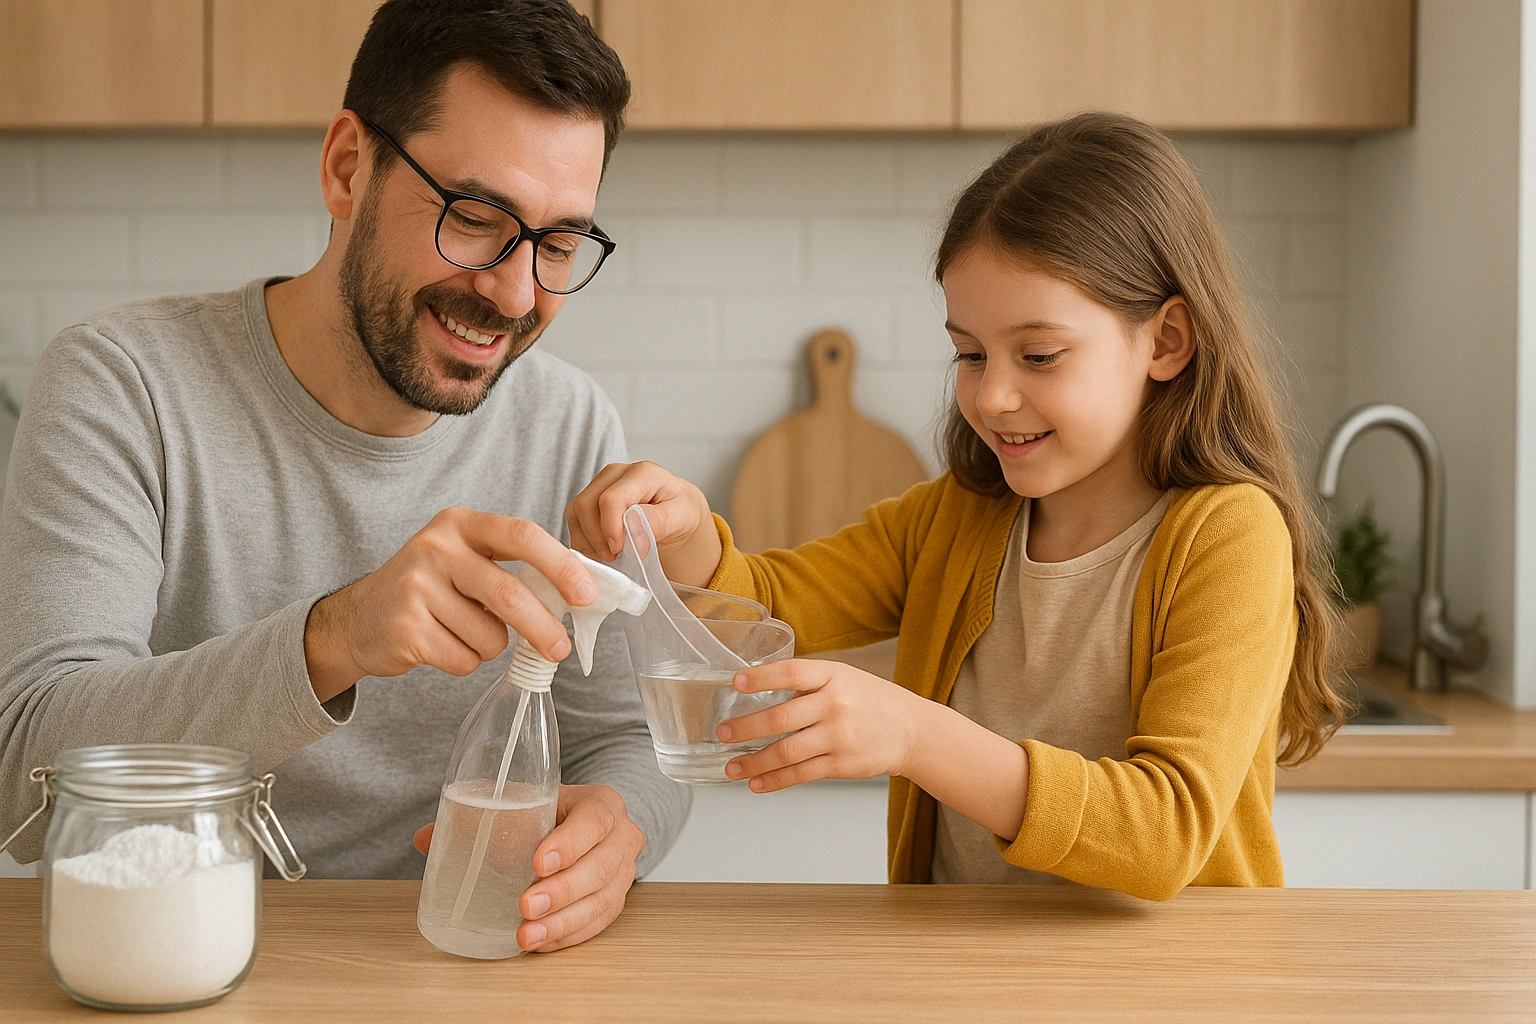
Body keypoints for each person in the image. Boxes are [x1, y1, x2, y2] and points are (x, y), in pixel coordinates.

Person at [0, 0, 688, 952]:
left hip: (452, 959)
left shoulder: (567, 425)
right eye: (476, 217)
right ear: (346, 167)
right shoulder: (123, 389)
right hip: (170, 952)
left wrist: (621, 826)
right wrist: (335, 637)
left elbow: (628, 739)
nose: (517, 293)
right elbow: (27, 777)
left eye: (560, 244)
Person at [568, 112, 1349, 899]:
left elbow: (1166, 832)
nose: (994, 395)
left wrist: (912, 733)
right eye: (970, 353)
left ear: (1166, 341)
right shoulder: (958, 517)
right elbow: (762, 605)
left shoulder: (1228, 536)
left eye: (1038, 355)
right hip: (965, 974)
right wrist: (686, 530)